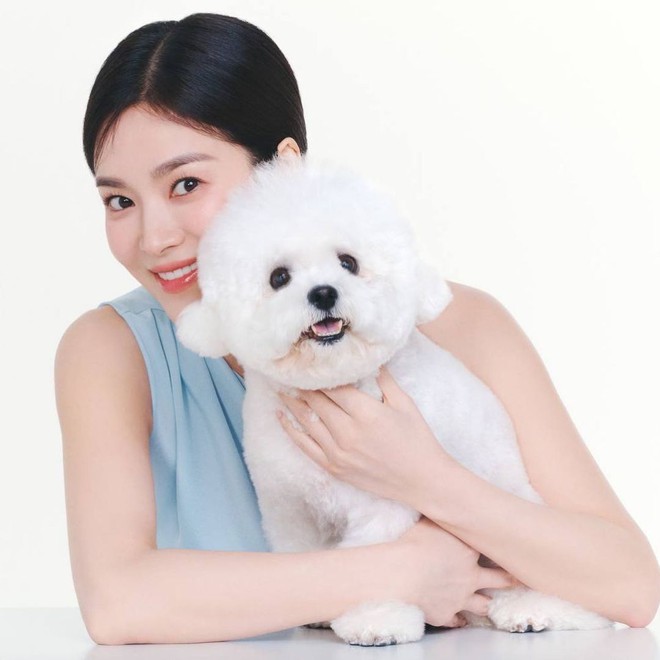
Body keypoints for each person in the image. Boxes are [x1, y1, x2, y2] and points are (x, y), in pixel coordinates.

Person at [54, 12, 659, 646]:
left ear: (283, 168)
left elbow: (629, 583)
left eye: (186, 183)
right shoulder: (112, 350)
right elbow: (117, 604)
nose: (153, 237)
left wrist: (426, 478)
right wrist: (403, 571)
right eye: (119, 201)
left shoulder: (456, 323)